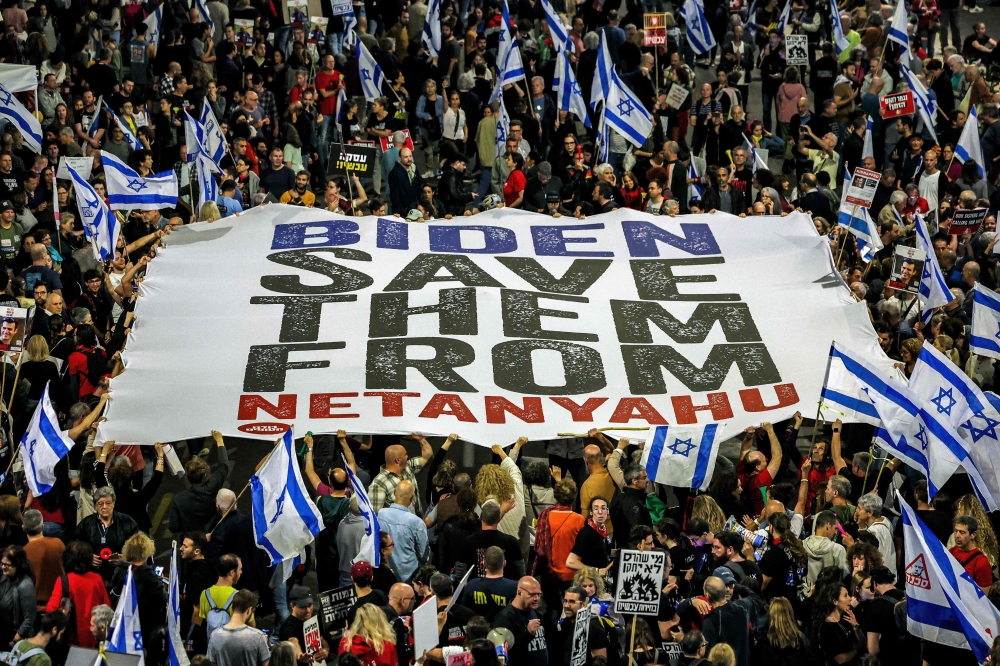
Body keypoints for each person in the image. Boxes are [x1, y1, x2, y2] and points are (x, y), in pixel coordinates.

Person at [46, 541, 110, 648]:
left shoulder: (63, 581)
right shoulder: (97, 579)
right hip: (94, 637)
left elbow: (51, 609)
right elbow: (107, 607)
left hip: (71, 640)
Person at [168, 431, 233, 532]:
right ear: (205, 475)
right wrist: (219, 440)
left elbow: (173, 527)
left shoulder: (179, 498)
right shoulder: (212, 487)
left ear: (188, 477)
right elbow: (223, 466)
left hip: (190, 542)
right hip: (213, 535)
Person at [376, 480, 428, 583]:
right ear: (412, 497)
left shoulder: (380, 514)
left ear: (395, 492)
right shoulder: (417, 523)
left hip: (386, 577)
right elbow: (424, 555)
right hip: (411, 580)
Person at [206, 590, 270, 666]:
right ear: (249, 610)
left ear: (232, 608)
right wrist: (263, 643)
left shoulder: (215, 635)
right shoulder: (258, 636)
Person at [494, 577, 548, 666]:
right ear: (519, 592)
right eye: (532, 594)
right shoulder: (504, 618)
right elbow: (504, 653)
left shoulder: (537, 613)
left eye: (539, 594)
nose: (536, 598)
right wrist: (528, 634)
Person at [812, 583, 864, 666]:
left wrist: (856, 626)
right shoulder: (826, 627)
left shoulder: (846, 618)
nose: (850, 598)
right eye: (845, 595)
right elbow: (840, 659)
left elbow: (863, 642)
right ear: (835, 601)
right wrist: (857, 649)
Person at [460, 546, 517, 621]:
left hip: (477, 631)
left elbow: (463, 611)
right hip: (502, 631)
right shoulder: (514, 586)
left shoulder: (472, 584)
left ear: (483, 563)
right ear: (504, 563)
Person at [278, 586, 330, 660]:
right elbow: (293, 641)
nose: (308, 610)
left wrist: (325, 650)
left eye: (310, 605)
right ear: (292, 605)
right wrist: (300, 656)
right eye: (302, 607)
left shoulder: (314, 618)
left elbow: (321, 637)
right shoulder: (288, 627)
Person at [0, 546, 37, 649]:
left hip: (16, 640)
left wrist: (14, 641)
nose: (3, 567)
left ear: (18, 565)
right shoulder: (5, 577)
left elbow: (29, 619)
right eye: (2, 564)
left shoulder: (25, 586)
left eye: (7, 565)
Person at [952, 514, 993, 589]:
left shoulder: (981, 562)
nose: (957, 535)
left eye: (962, 532)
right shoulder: (952, 551)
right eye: (956, 531)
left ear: (973, 535)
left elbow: (984, 594)